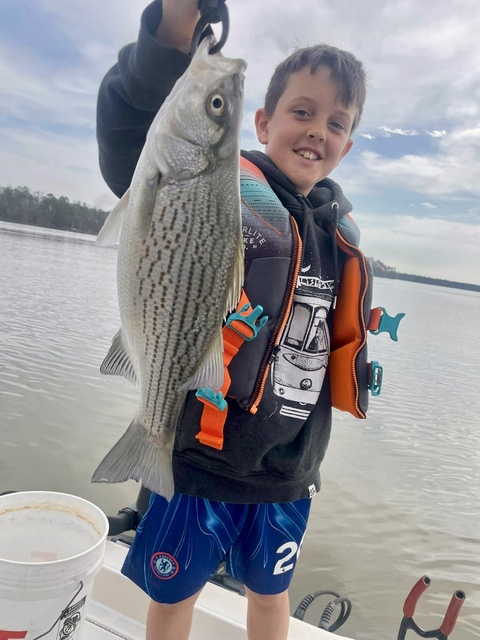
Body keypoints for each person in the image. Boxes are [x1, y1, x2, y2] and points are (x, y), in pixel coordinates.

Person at [96, 1, 371, 639]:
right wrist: (172, 28)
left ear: (347, 144)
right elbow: (133, 129)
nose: (316, 130)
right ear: (263, 120)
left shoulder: (337, 234)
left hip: (287, 474)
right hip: (198, 459)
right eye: (301, 111)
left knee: (270, 601)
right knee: (171, 600)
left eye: (335, 121)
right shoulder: (222, 188)